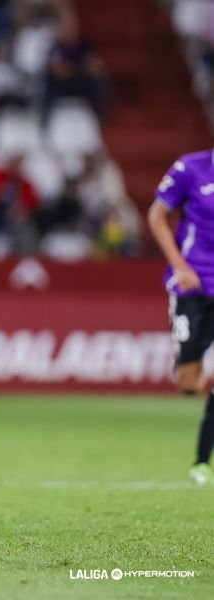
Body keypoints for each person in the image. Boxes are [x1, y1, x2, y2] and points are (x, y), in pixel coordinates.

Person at [147, 150, 214, 485]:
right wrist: (179, 265)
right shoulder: (191, 168)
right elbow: (157, 216)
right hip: (193, 287)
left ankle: (202, 462)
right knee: (189, 384)